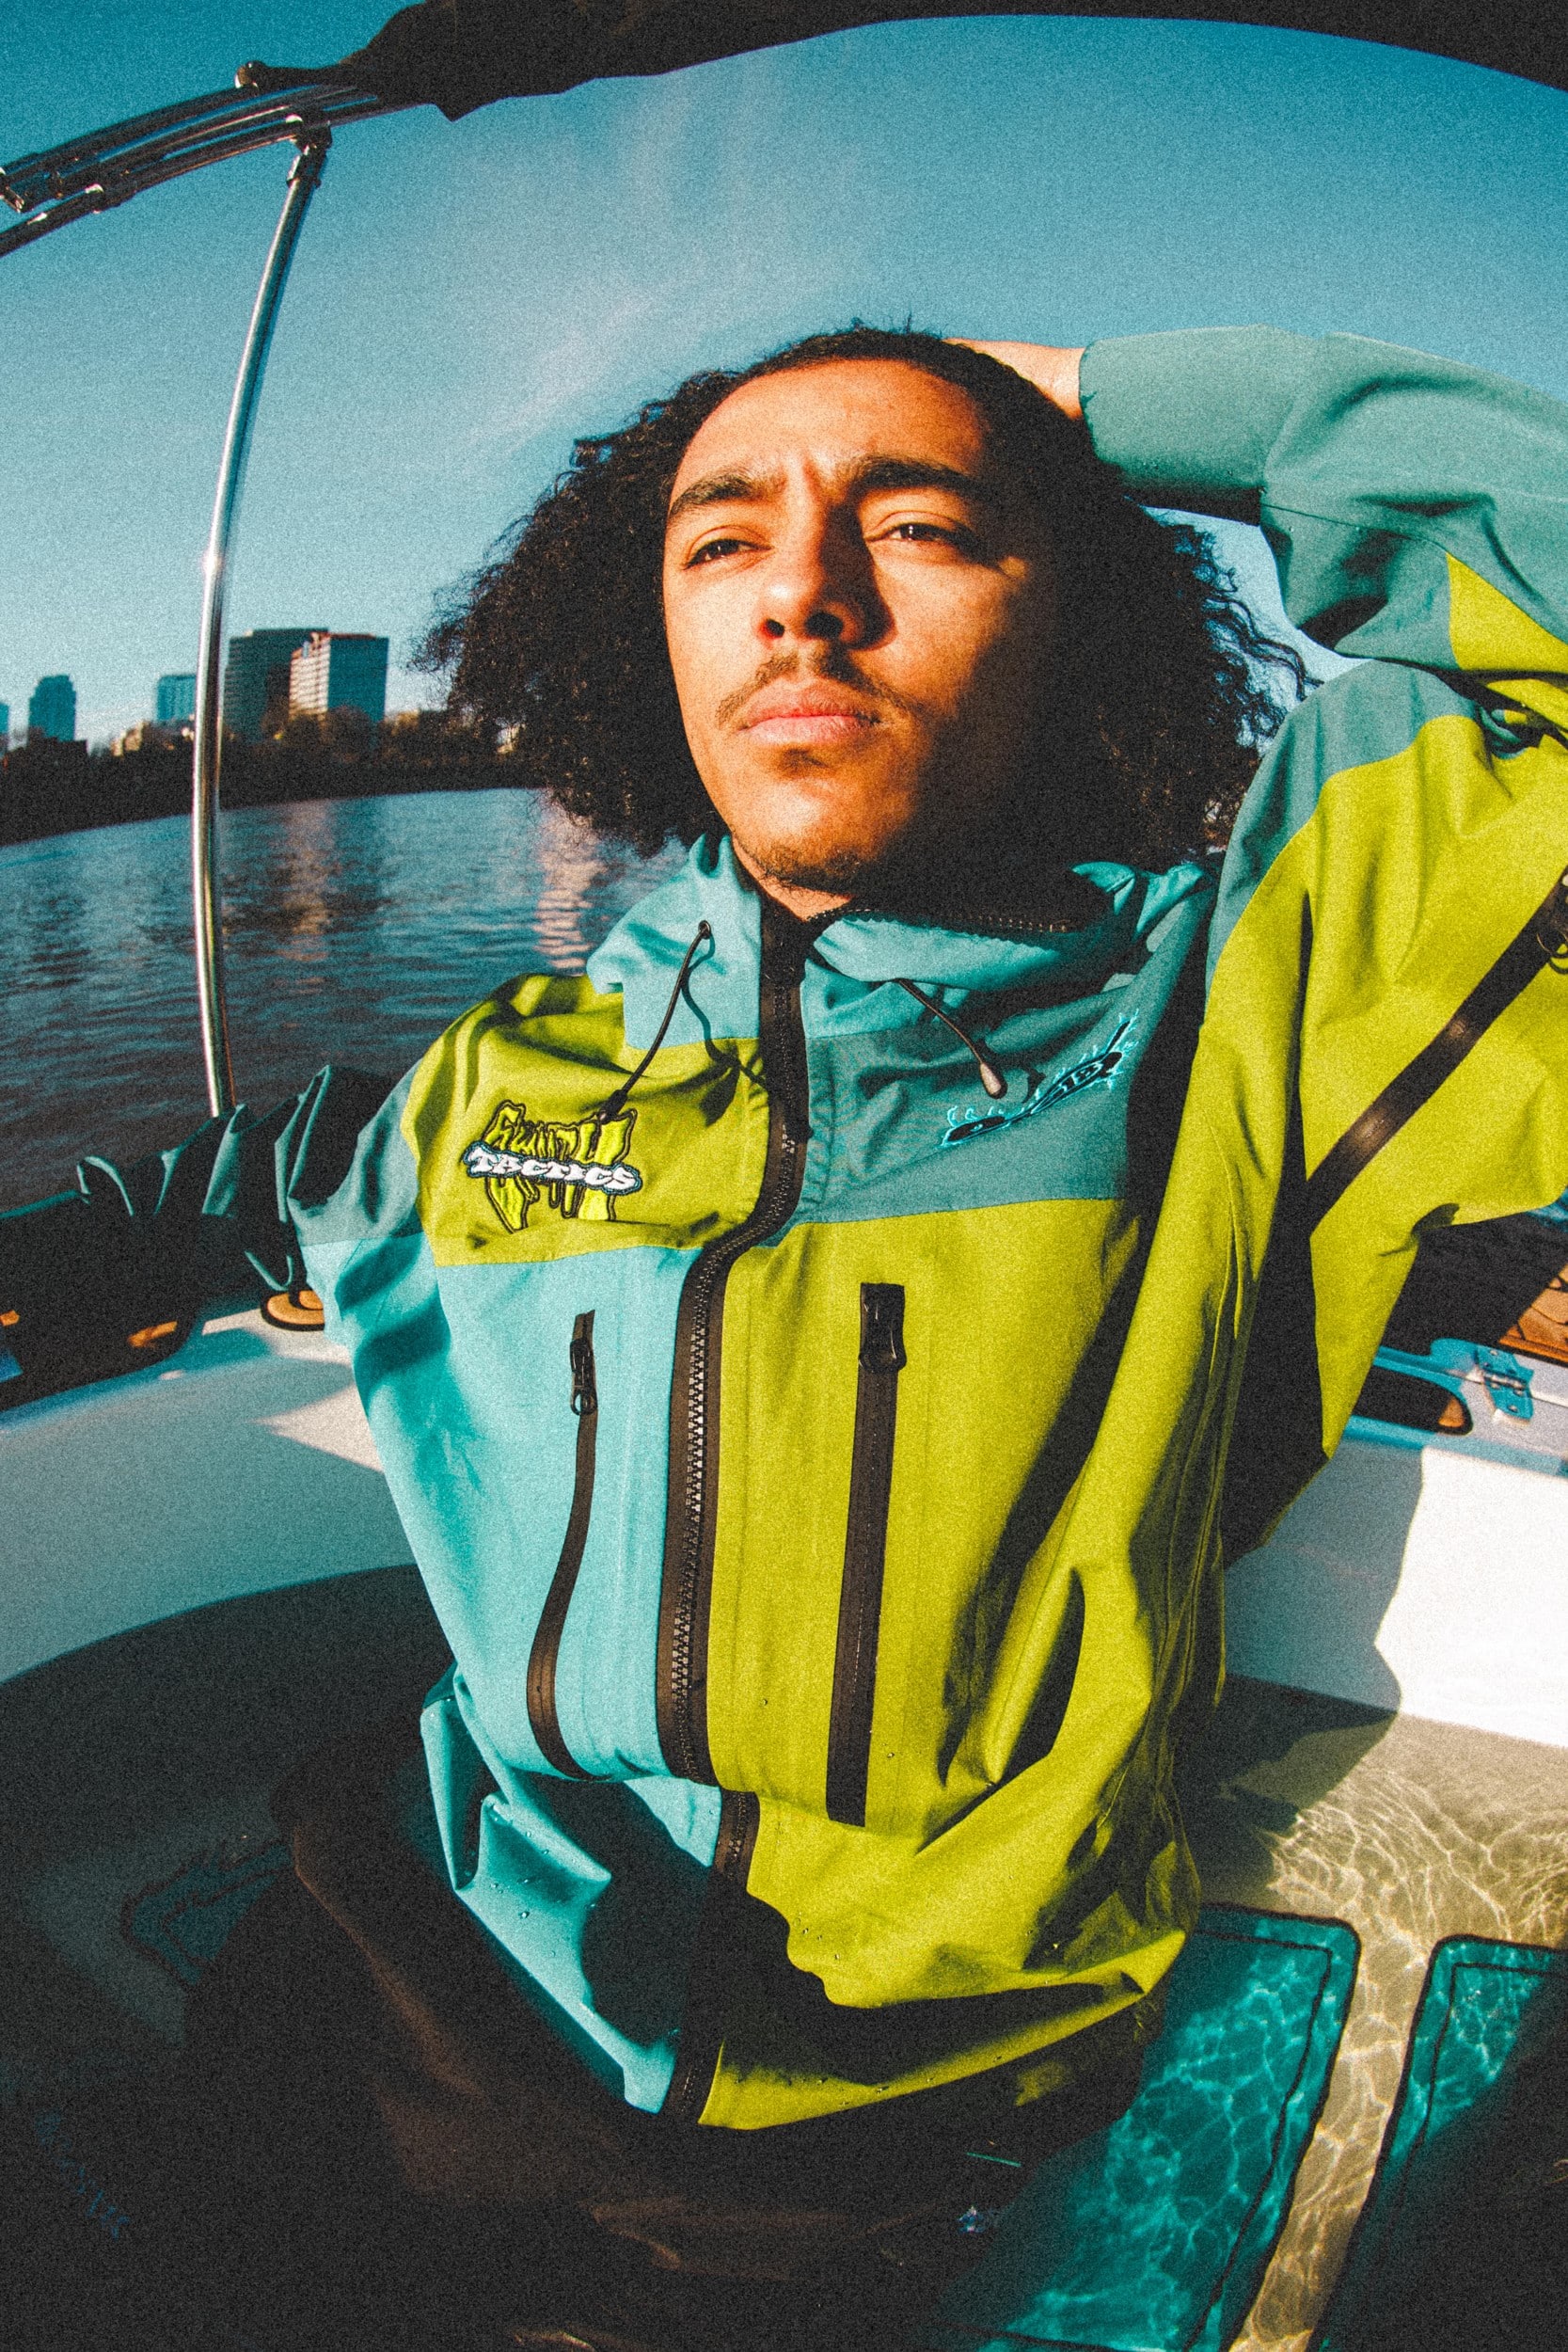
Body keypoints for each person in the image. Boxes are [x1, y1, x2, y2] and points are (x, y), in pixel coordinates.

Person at [4, 323, 1567, 2350]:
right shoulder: (522, 1066)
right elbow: (275, 1169)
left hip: (855, 2138)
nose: (802, 591)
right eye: (719, 539)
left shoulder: (1250, 1006)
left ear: (1081, 618)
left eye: (921, 525)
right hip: (378, 1971)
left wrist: (1085, 398)